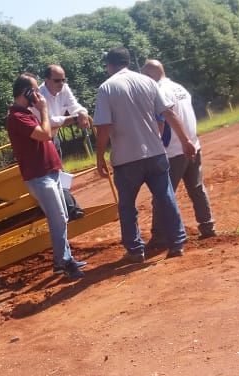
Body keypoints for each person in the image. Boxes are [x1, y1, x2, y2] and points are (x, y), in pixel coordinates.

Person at [93, 47, 195, 262]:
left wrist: (100, 156)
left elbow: (103, 127)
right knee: (166, 198)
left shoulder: (106, 88)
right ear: (128, 62)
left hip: (126, 159)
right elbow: (168, 113)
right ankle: (176, 243)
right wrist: (186, 140)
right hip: (155, 154)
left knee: (127, 206)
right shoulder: (147, 82)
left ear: (109, 65)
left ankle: (135, 250)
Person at [6, 72, 87, 279]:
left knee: (62, 217)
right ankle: (62, 262)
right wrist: (43, 109)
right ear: (26, 92)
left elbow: (46, 131)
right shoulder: (17, 117)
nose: (39, 95)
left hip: (50, 172)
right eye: (35, 90)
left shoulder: (26, 113)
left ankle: (65, 259)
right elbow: (45, 134)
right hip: (39, 176)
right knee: (58, 218)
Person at [141, 59, 217, 241]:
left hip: (173, 151)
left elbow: (162, 122)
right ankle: (207, 227)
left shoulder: (158, 91)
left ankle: (159, 237)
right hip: (193, 146)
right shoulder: (179, 88)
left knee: (162, 194)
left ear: (150, 75)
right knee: (197, 188)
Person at [38, 64, 91, 220]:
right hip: (40, 142)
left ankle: (67, 210)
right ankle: (72, 209)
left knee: (57, 175)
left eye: (63, 80)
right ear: (46, 80)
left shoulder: (64, 89)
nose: (61, 83)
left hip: (54, 138)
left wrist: (82, 112)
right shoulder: (39, 96)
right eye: (57, 81)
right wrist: (74, 118)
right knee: (55, 176)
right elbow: (50, 122)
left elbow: (74, 105)